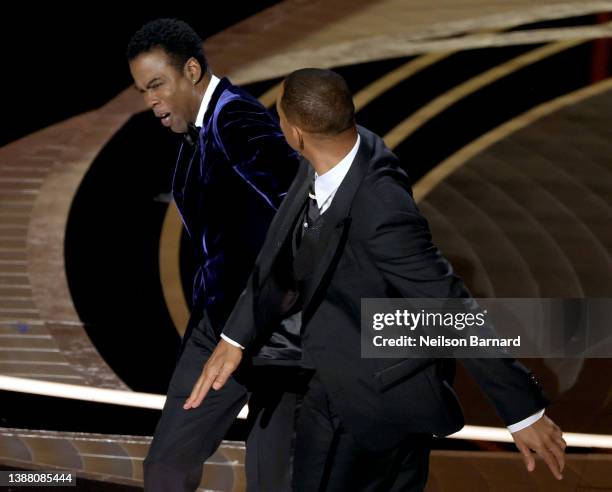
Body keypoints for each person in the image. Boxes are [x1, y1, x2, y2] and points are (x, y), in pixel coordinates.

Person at [184, 68, 567, 491]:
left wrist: (522, 412)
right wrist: (235, 338)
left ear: (294, 132)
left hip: (372, 401)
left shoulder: (381, 209)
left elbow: (450, 307)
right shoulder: (337, 150)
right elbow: (281, 249)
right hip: (346, 382)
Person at [127, 18, 304, 491]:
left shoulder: (236, 118)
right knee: (167, 465)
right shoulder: (198, 133)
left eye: (157, 85)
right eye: (143, 90)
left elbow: (300, 203)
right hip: (219, 326)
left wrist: (263, 308)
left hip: (268, 330)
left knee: (272, 478)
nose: (151, 101)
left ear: (191, 70)